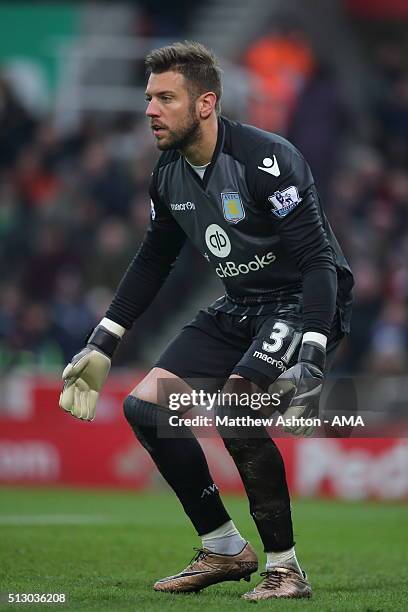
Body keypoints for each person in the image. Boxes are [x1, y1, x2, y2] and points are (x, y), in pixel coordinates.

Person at [59, 41, 354, 601]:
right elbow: (154, 260)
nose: (150, 110)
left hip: (302, 302)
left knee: (235, 410)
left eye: (165, 98)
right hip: (240, 304)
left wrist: (314, 345)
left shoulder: (268, 160)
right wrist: (104, 340)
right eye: (149, 98)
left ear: (205, 103)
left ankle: (286, 569)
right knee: (144, 407)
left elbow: (318, 262)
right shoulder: (168, 174)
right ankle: (222, 547)